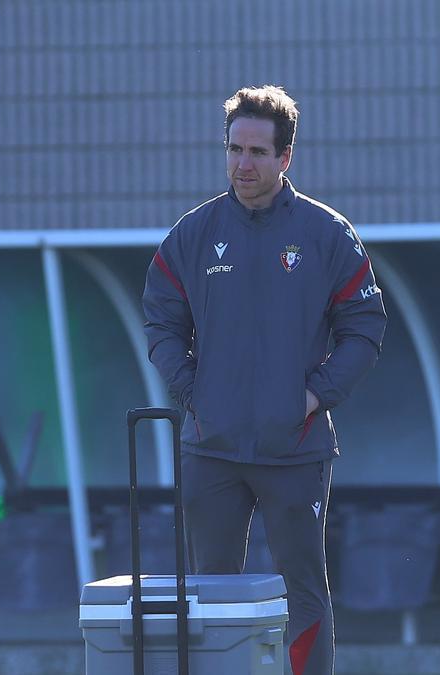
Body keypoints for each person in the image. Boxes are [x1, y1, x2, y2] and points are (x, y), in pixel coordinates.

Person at [142, 85, 387, 675]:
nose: (243, 164)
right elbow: (161, 318)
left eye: (257, 151)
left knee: (304, 592)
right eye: (234, 149)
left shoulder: (326, 234)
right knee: (212, 595)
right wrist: (191, 389)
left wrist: (313, 397)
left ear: (286, 158)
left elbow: (365, 326)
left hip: (295, 447)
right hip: (213, 447)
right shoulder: (194, 234)